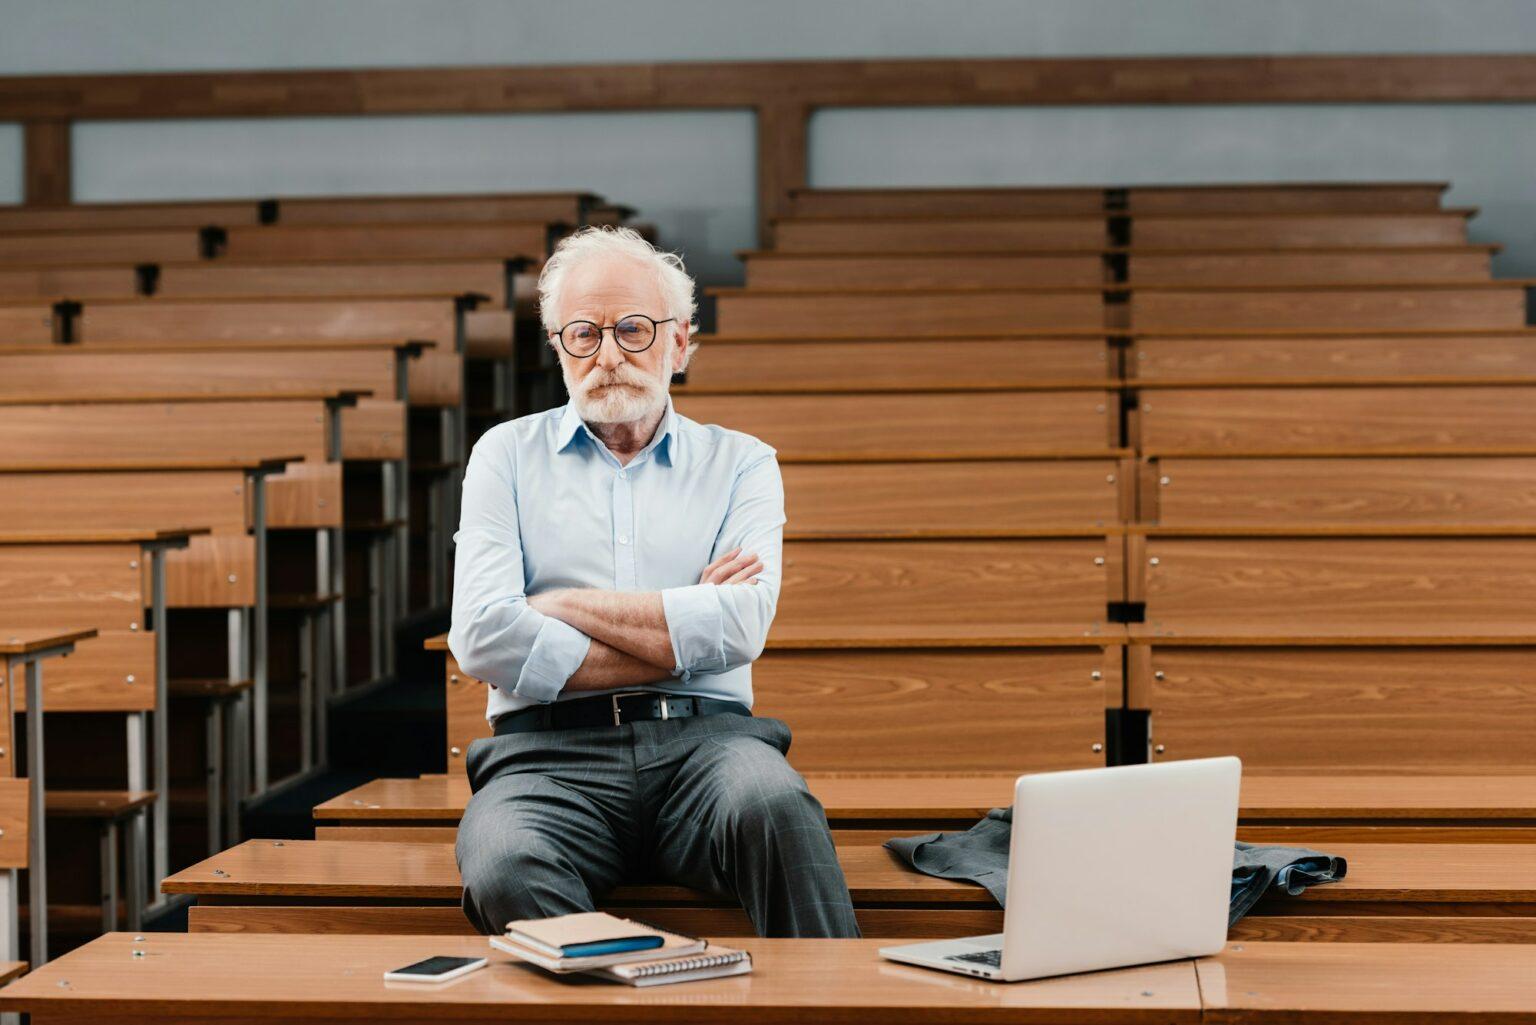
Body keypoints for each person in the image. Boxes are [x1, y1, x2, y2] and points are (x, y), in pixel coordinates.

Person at [449, 226, 859, 938]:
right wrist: (682, 626)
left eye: (633, 329)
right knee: (503, 864)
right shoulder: (503, 456)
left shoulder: (742, 463)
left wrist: (558, 606)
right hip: (543, 762)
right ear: (558, 347)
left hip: (710, 750)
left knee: (779, 810)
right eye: (584, 334)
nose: (609, 356)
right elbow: (484, 636)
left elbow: (740, 627)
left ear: (679, 342)